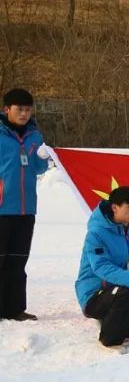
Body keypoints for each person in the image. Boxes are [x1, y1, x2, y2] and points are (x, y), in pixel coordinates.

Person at [75, 186, 129, 347]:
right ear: (115, 207)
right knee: (128, 292)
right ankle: (109, 339)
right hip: (95, 295)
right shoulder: (96, 233)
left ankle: (112, 320)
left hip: (121, 295)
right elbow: (101, 267)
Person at [1, 88, 49, 321]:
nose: (24, 114)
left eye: (28, 110)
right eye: (19, 109)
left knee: (18, 261)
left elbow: (39, 170)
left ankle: (14, 309)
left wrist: (43, 158)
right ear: (6, 109)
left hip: (25, 209)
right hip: (1, 208)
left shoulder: (35, 136)